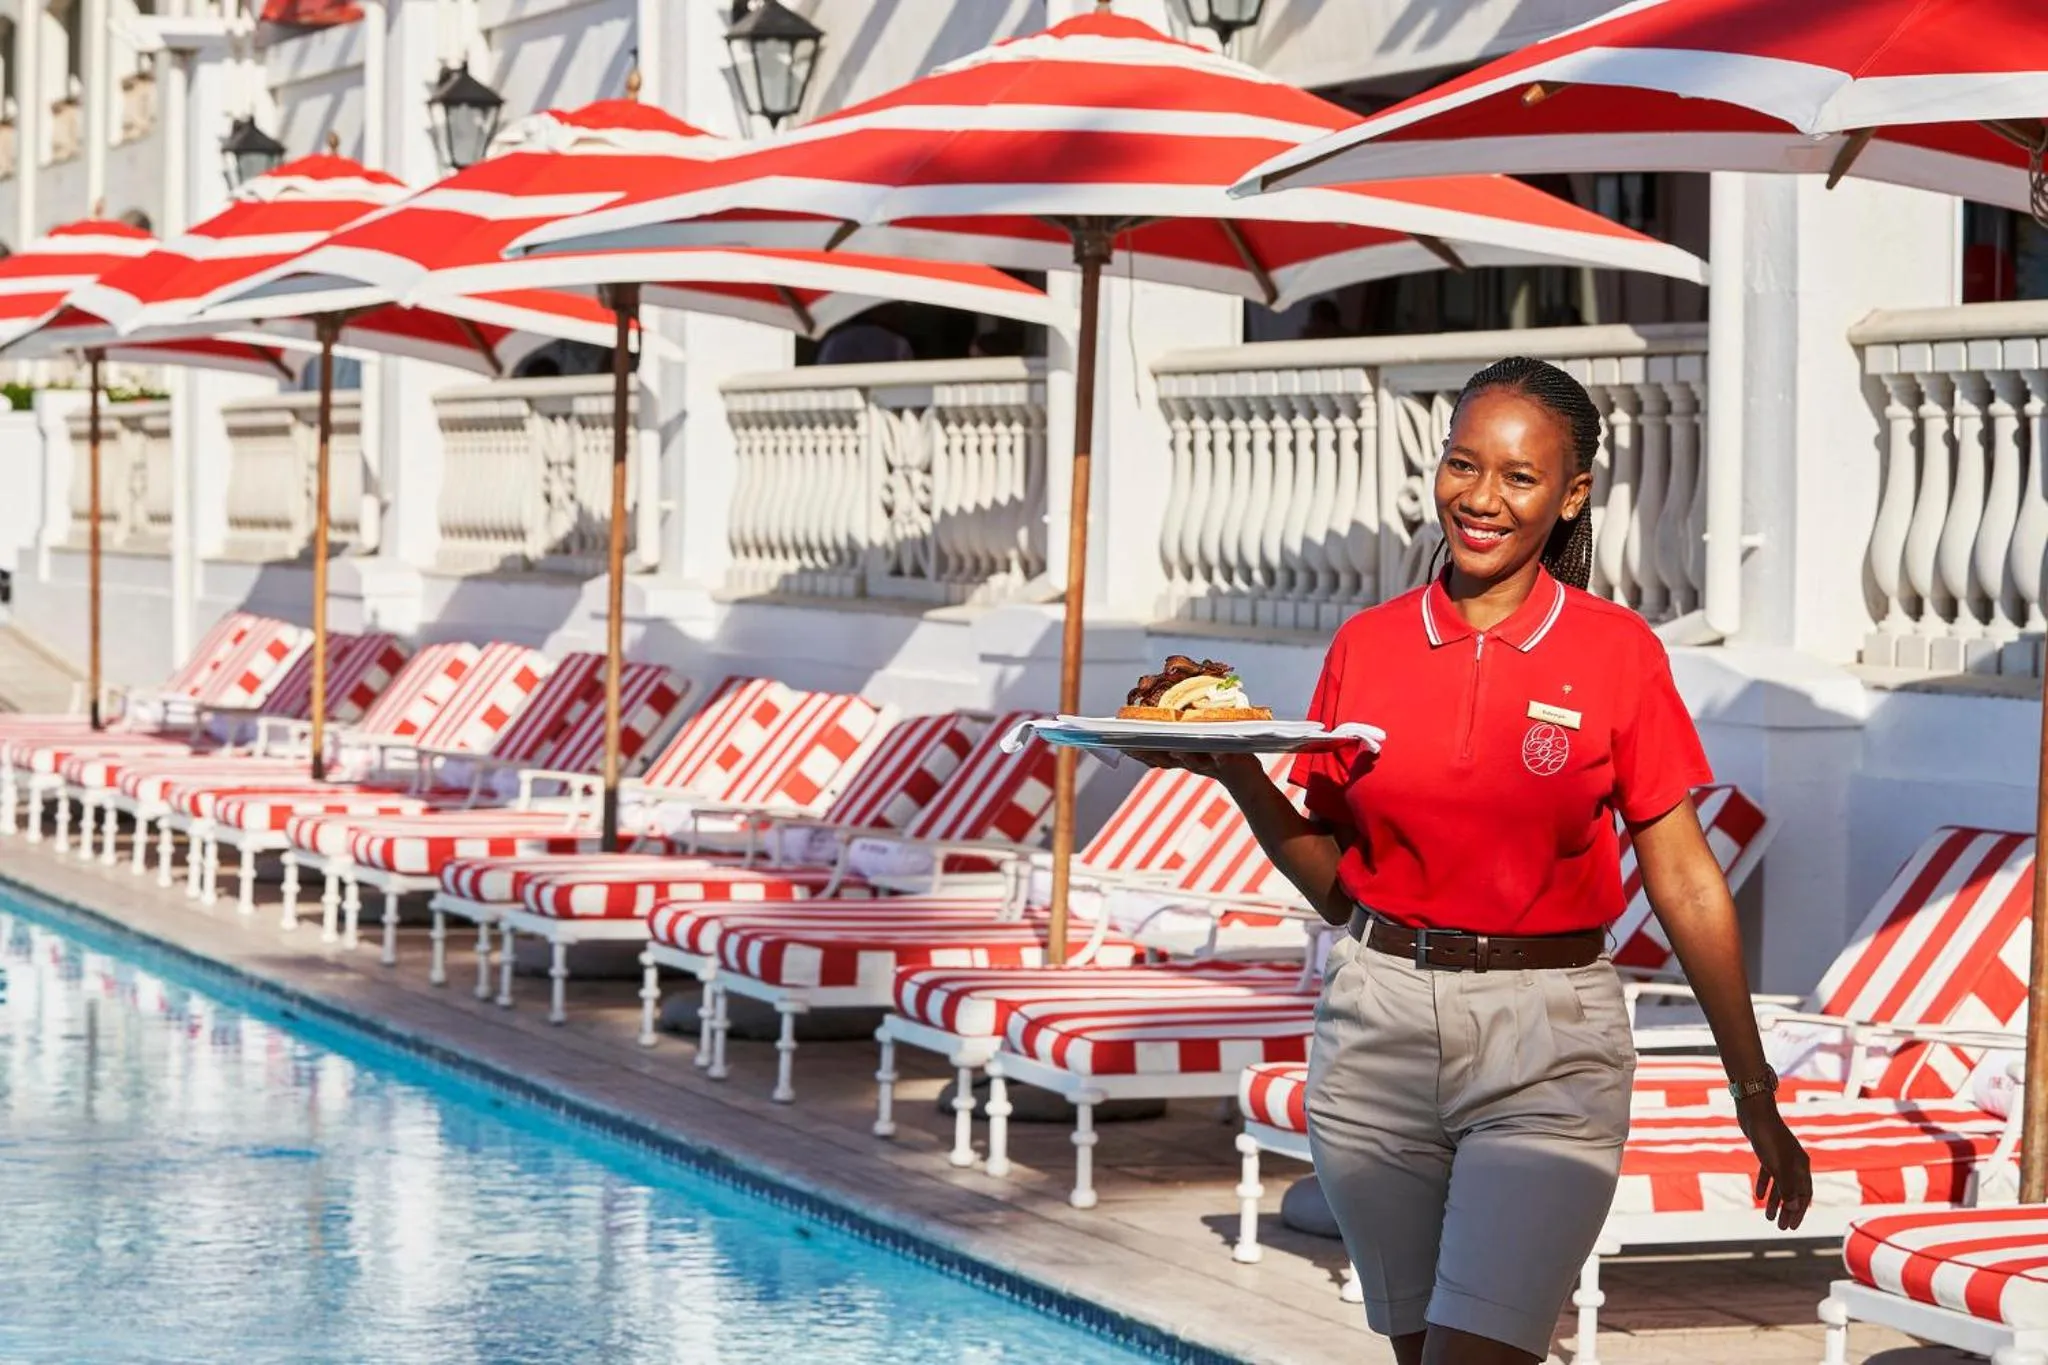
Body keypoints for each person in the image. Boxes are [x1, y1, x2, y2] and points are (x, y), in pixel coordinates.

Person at [1139, 356, 1811, 1365]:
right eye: (1462, 466)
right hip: (1374, 1030)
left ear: (1570, 495)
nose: (1479, 499)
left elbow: (1680, 878)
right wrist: (1235, 770)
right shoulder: (1365, 646)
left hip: (1547, 1045)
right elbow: (1338, 885)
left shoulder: (1617, 652)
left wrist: (1751, 1092)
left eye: (1517, 476)